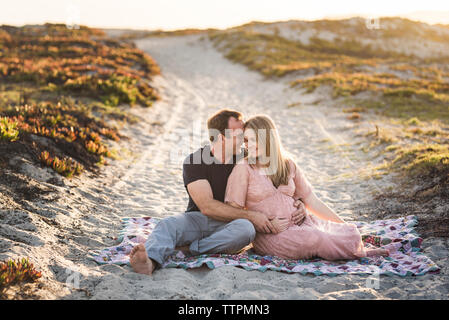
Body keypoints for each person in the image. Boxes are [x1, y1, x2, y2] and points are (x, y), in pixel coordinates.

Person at [129, 109, 308, 275]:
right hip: (198, 219)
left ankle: (189, 249)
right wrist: (253, 216)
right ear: (221, 137)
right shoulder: (195, 161)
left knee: (245, 230)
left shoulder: (249, 158)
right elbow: (207, 207)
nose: (246, 139)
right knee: (168, 224)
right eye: (240, 134)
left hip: (235, 223)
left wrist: (298, 203)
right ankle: (150, 262)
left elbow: (277, 184)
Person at [224, 114, 389, 261]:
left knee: (350, 232)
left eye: (254, 140)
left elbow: (312, 200)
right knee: (315, 238)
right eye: (246, 140)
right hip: (271, 236)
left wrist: (343, 225)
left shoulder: (287, 165)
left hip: (301, 224)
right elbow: (233, 210)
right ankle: (360, 253)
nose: (249, 145)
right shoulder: (243, 168)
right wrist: (262, 222)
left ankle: (356, 247)